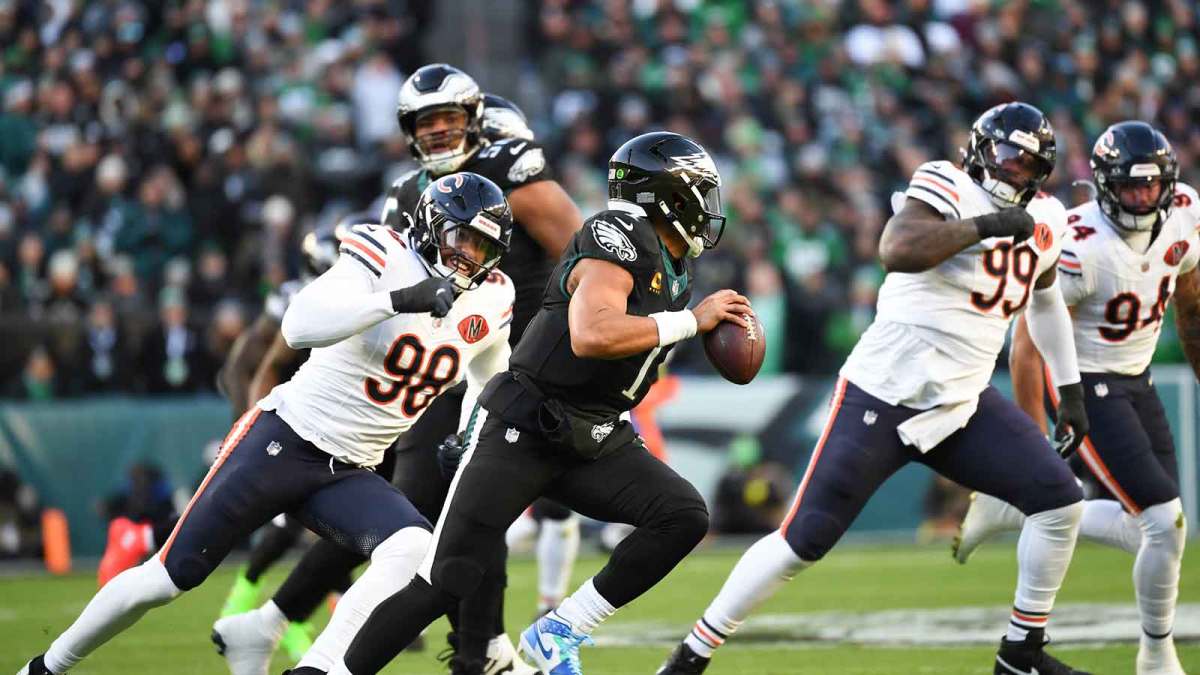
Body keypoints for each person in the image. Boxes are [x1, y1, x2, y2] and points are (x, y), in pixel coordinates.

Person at [17, 172, 516, 675]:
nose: (469, 256)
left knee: (411, 547)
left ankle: (318, 669)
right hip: (284, 439)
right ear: (432, 227)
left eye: (483, 247)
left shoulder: (494, 299)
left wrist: (468, 431)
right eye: (462, 238)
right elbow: (299, 326)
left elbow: (488, 376)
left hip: (349, 471)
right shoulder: (383, 252)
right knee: (166, 579)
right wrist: (396, 299)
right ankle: (45, 668)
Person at [658, 102, 1092, 675]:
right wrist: (984, 227)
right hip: (884, 393)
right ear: (981, 150)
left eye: (1027, 163)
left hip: (962, 402)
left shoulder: (1049, 219)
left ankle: (1021, 655)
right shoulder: (947, 184)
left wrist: (1073, 389)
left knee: (1061, 502)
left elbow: (1046, 301)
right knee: (803, 540)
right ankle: (690, 657)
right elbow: (898, 248)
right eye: (1007, 156)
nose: (1013, 170)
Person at [324, 131, 749, 675]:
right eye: (701, 192)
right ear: (669, 195)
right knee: (445, 578)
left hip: (594, 433)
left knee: (682, 515)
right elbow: (591, 335)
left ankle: (560, 629)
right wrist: (693, 322)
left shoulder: (672, 265)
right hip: (523, 429)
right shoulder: (618, 231)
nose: (708, 208)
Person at [215, 67, 582, 675]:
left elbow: (586, 259)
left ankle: (473, 649)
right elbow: (382, 278)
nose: (440, 134)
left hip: (504, 363)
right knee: (434, 509)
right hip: (444, 368)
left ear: (479, 124)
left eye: (451, 121)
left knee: (458, 506)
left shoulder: (507, 172)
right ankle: (479, 651)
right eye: (427, 123)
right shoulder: (408, 195)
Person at [953, 121, 1197, 675]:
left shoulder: (1184, 212)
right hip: (1085, 383)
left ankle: (1019, 512)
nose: (1142, 197)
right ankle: (1156, 656)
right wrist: (1030, 443)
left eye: (1151, 186)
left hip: (1138, 379)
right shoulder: (1080, 243)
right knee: (1165, 519)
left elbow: (1190, 297)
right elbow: (1028, 344)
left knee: (1152, 530)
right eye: (1131, 187)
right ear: (1106, 186)